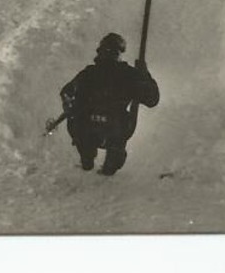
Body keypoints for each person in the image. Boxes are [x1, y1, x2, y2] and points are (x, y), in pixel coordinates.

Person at [59, 32, 160, 176]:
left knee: (80, 121)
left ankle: (92, 154)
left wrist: (71, 107)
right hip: (113, 128)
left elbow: (66, 92)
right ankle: (101, 154)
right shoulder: (128, 74)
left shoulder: (89, 73)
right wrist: (144, 75)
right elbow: (152, 99)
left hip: (98, 126)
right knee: (84, 119)